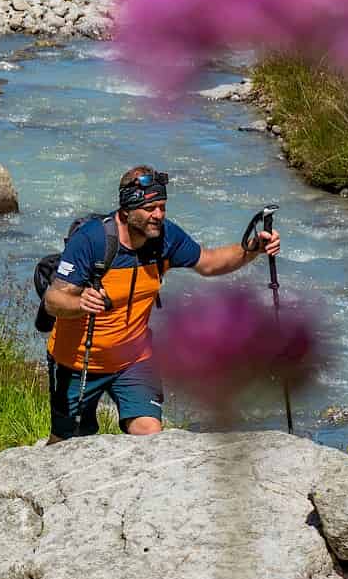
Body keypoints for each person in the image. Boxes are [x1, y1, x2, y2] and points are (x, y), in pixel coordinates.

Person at [43, 165, 282, 438]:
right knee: (66, 444)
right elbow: (54, 300)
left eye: (162, 206)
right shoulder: (91, 240)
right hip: (77, 361)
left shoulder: (165, 238)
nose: (158, 215)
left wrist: (252, 249)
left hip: (134, 359)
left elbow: (210, 262)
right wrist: (80, 303)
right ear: (127, 209)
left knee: (150, 434)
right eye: (150, 208)